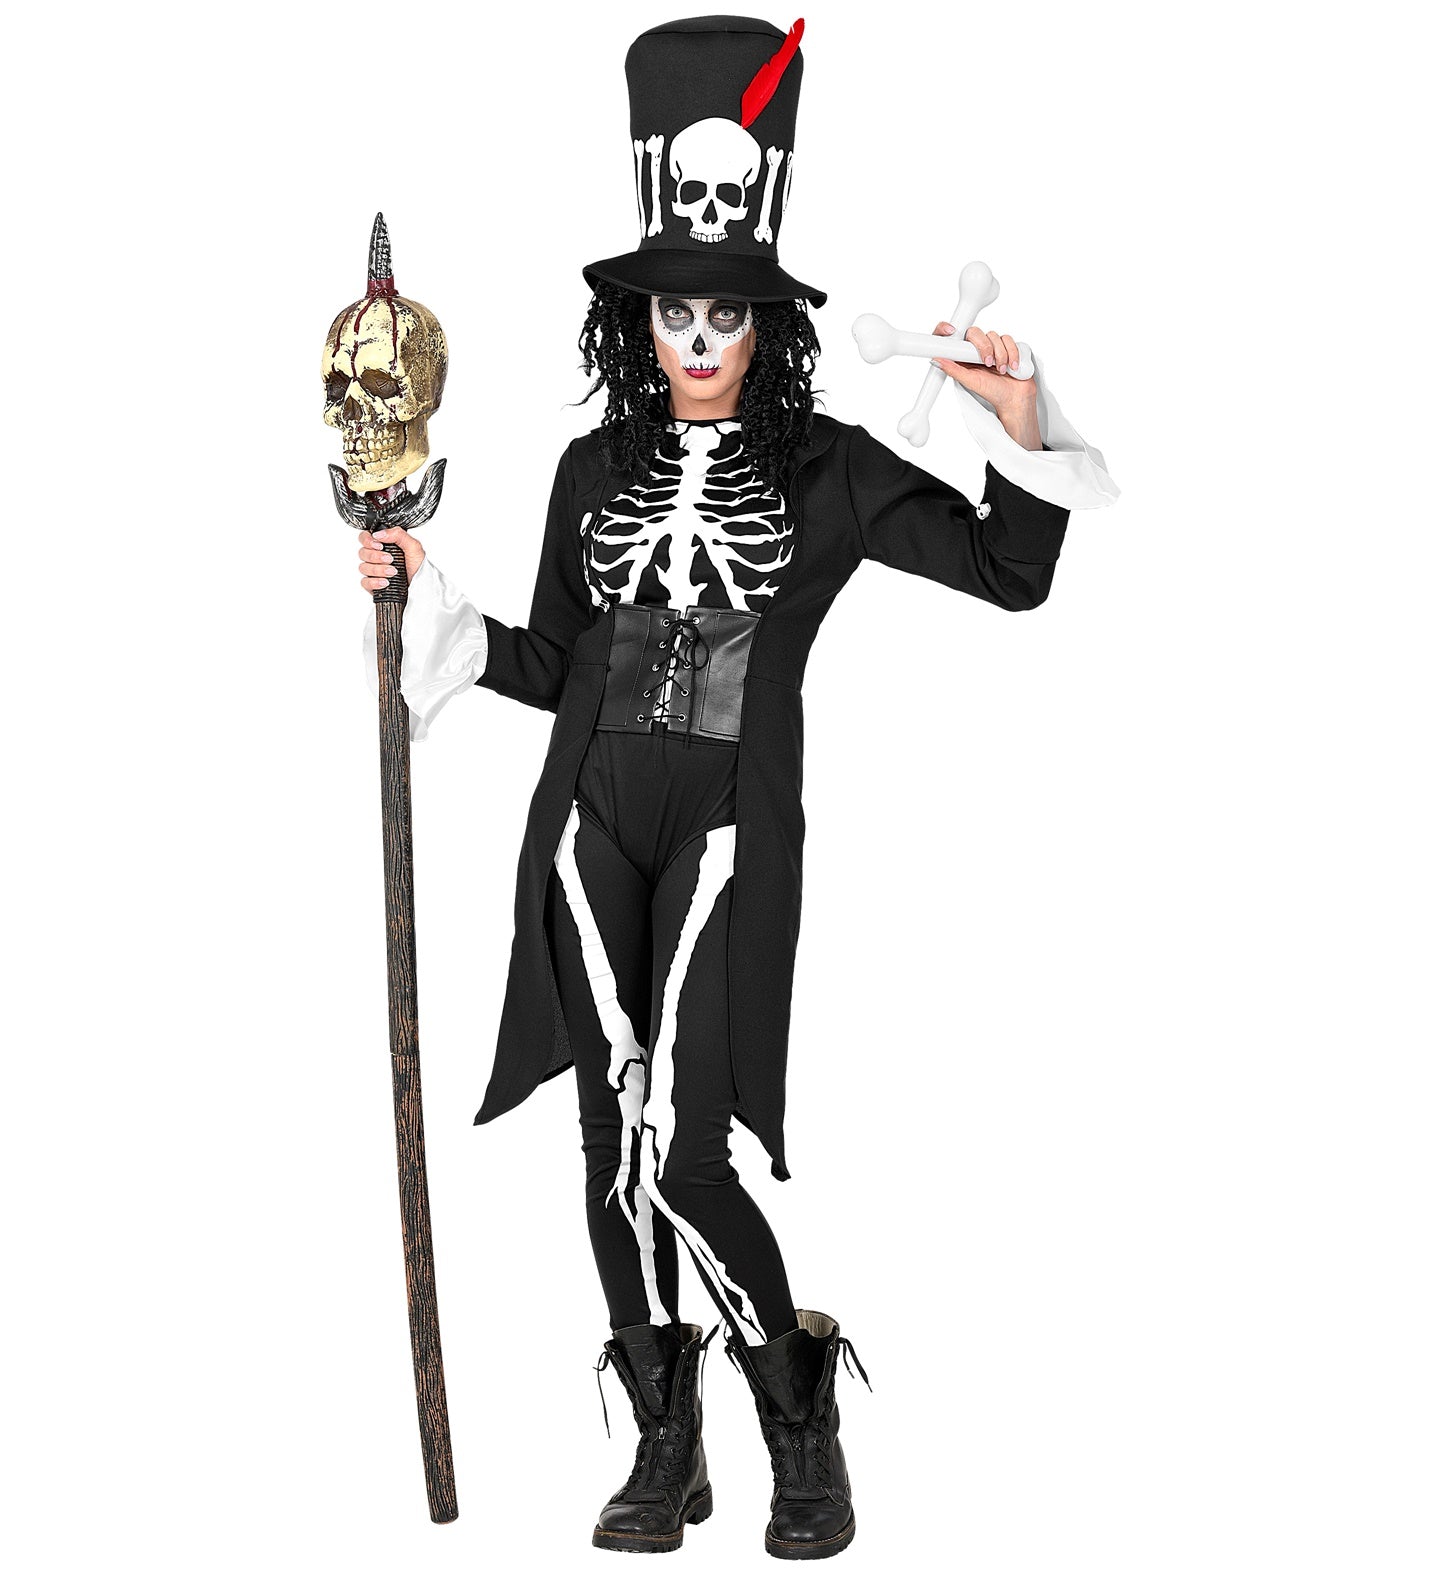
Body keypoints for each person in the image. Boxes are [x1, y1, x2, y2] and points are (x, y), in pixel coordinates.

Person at [352, 16, 1115, 1562]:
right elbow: (553, 663)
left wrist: (1017, 420)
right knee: (605, 1156)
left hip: (722, 837)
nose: (697, 338)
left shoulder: (826, 469)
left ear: (765, 327)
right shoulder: (588, 473)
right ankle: (664, 1440)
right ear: (636, 323)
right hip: (587, 832)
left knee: (684, 1156)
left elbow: (1006, 568)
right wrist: (422, 599)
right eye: (673, 311)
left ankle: (796, 1415)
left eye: (724, 313)